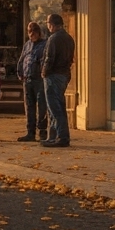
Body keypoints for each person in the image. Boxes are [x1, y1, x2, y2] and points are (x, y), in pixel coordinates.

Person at [40, 12, 75, 147]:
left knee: (54, 108)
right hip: (64, 74)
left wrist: (44, 72)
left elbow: (49, 58)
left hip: (53, 75)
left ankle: (61, 137)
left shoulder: (53, 39)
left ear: (53, 25)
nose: (48, 27)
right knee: (58, 105)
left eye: (49, 24)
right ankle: (53, 136)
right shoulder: (68, 38)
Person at [15, 21, 48, 142]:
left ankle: (42, 131)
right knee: (29, 107)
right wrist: (20, 72)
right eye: (29, 31)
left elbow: (45, 61)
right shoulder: (27, 45)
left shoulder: (45, 44)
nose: (31, 34)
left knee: (41, 107)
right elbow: (22, 59)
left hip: (39, 80)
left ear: (39, 32)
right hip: (27, 79)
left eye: (34, 31)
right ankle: (30, 132)